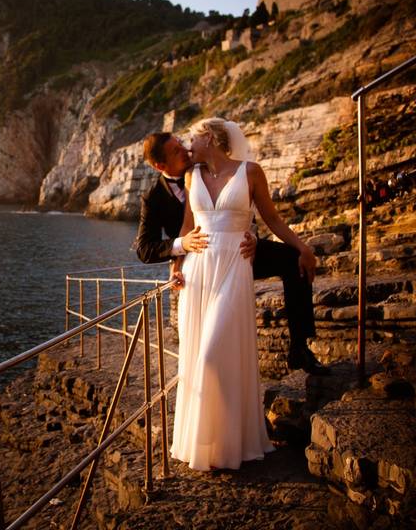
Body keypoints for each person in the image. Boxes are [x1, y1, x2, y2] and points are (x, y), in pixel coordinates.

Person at [167, 117, 318, 470]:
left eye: (193, 138)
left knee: (213, 354)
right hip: (199, 271)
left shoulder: (250, 172)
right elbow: (188, 226)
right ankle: (213, 445)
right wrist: (175, 263)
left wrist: (303, 248)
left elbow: (273, 219)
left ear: (211, 138)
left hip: (235, 265)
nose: (189, 145)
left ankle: (233, 438)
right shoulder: (192, 177)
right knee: (199, 357)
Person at [135, 131, 327, 375]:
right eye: (176, 151)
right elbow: (144, 248)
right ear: (161, 165)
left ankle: (300, 347)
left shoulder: (211, 166)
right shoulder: (154, 198)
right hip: (201, 259)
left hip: (242, 249)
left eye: (182, 144)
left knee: (292, 259)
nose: (185, 150)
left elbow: (241, 210)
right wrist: (180, 252)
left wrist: (255, 237)